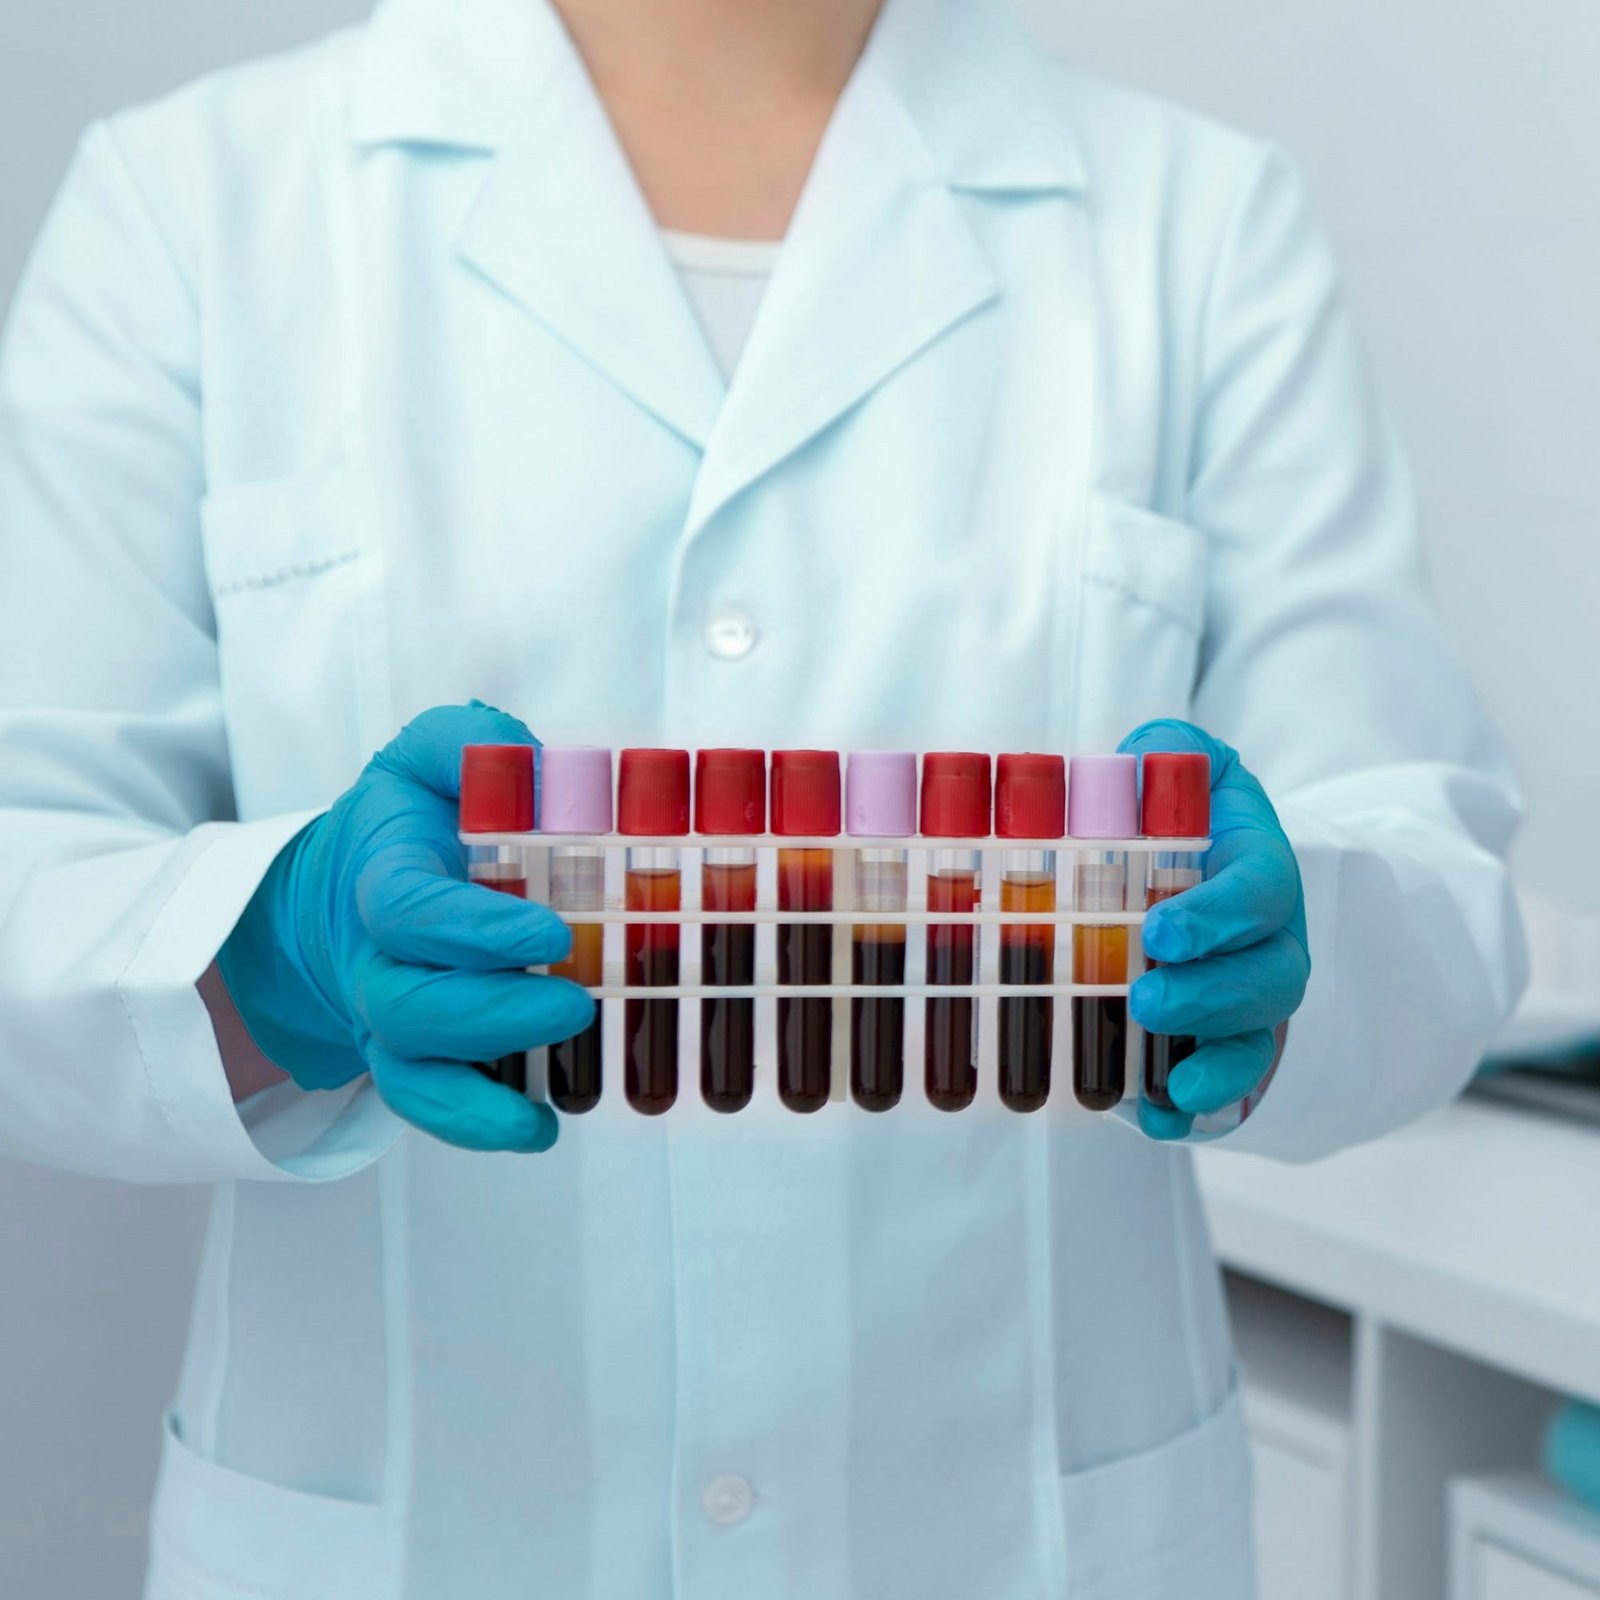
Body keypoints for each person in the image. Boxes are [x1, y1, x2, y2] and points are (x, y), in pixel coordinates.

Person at [0, 0, 1525, 1594]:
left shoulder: (1198, 226)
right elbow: (28, 876)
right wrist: (278, 945)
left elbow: (1424, 866)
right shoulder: (193, 204)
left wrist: (1305, 952)